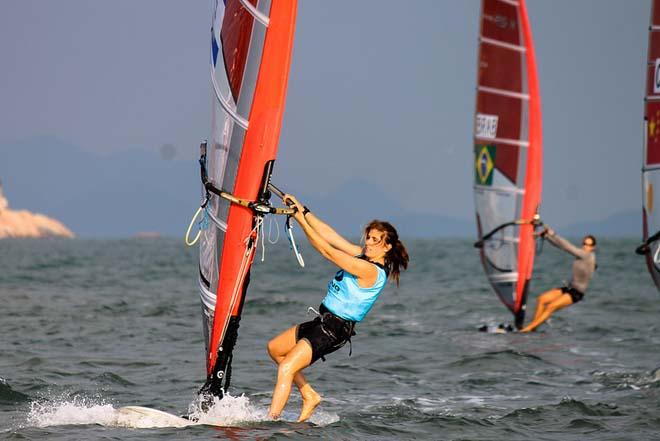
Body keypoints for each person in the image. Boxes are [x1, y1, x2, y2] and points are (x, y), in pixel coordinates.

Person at [266, 194, 409, 422]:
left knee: (286, 369)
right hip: (322, 321)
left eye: (375, 240)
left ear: (387, 247)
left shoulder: (370, 271)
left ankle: (269, 424)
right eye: (368, 238)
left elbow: (328, 251)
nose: (368, 244)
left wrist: (300, 221)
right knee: (275, 349)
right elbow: (330, 236)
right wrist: (304, 210)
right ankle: (309, 395)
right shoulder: (363, 257)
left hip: (334, 329)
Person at [520, 227, 597, 333]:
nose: (585, 246)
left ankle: (528, 328)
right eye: (584, 243)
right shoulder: (581, 253)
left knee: (551, 306)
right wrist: (547, 237)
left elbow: (568, 246)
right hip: (569, 288)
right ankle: (534, 329)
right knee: (542, 299)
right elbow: (561, 246)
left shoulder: (587, 256)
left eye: (588, 245)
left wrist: (553, 234)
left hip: (576, 293)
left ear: (593, 247)